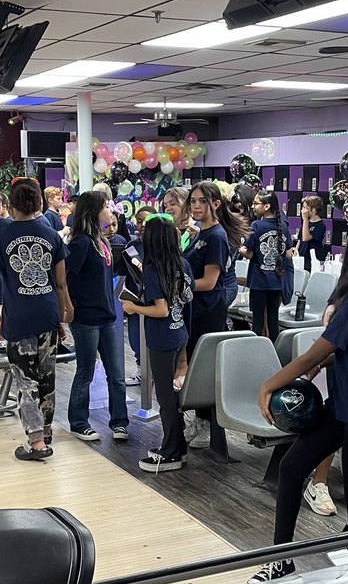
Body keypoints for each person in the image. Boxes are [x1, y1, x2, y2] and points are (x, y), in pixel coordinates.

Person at [250, 213, 348, 583]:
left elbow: (309, 355)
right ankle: (282, 558)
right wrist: (335, 357)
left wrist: (267, 386)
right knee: (292, 469)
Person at [0, 179, 73, 461]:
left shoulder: (1, 238)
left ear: (10, 205)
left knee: (25, 381)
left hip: (18, 319)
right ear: (39, 205)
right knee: (47, 378)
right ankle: (46, 431)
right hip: (47, 315)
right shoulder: (53, 236)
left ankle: (36, 443)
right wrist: (62, 318)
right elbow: (60, 284)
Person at [122, 214, 194, 472]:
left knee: (165, 398)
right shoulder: (182, 264)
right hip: (179, 333)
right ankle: (179, 446)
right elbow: (186, 296)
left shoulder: (153, 270)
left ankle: (171, 451)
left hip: (162, 339)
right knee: (171, 396)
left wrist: (134, 307)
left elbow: (161, 310)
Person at [182, 181, 248, 446]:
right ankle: (199, 420)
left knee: (205, 369)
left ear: (216, 204)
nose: (196, 206)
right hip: (196, 309)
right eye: (193, 201)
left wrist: (180, 284)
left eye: (202, 202)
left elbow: (209, 282)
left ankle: (209, 425)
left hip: (209, 310)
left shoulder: (217, 236)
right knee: (197, 366)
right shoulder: (199, 232)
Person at [64, 191, 130, 442]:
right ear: (94, 211)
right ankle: (79, 422)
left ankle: (120, 421)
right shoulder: (81, 243)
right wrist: (69, 309)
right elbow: (64, 279)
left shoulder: (101, 241)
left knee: (117, 374)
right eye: (106, 207)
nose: (110, 211)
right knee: (85, 372)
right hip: (86, 318)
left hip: (107, 316)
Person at [240, 189, 289, 343]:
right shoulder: (284, 226)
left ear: (267, 206)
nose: (253, 206)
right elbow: (287, 252)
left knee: (258, 321)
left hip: (259, 282)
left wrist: (240, 248)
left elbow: (249, 253)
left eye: (256, 203)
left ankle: (258, 352)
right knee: (273, 321)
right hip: (277, 282)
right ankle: (274, 351)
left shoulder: (257, 225)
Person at [123, 206, 155, 386]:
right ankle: (141, 370)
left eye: (147, 220)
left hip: (156, 300)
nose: (143, 225)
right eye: (139, 221)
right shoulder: (131, 246)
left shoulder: (161, 244)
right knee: (136, 339)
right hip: (136, 299)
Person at [294, 196, 327, 272]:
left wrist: (305, 219)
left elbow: (306, 238)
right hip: (302, 258)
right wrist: (296, 252)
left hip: (312, 260)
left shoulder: (320, 225)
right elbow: (300, 239)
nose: (303, 210)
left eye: (305, 208)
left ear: (313, 210)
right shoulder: (307, 223)